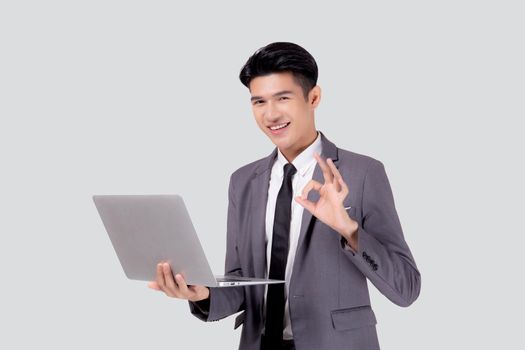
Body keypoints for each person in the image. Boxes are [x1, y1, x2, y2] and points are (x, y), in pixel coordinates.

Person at [148, 42, 421, 350]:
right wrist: (202, 294)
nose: (270, 114)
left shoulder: (363, 173)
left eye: (283, 98)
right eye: (259, 102)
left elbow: (406, 288)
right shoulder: (243, 181)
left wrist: (349, 229)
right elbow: (243, 283)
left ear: (313, 97)